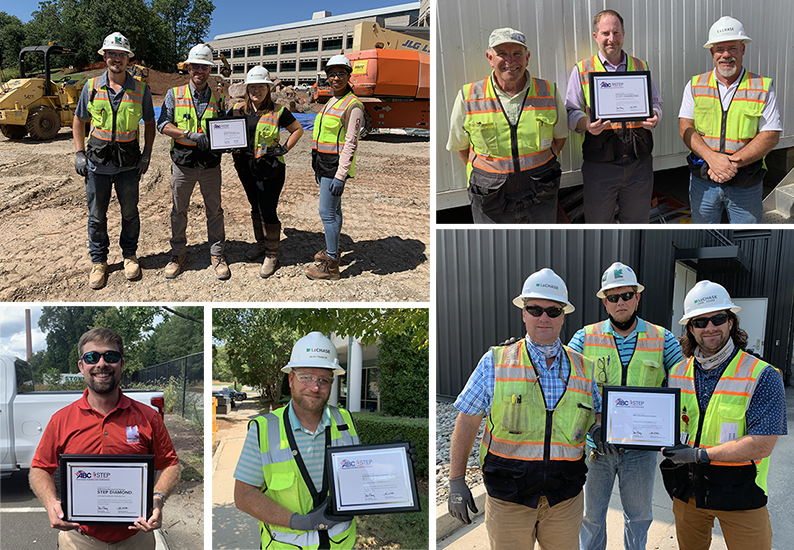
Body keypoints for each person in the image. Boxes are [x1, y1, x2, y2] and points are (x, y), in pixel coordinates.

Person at [447, 268, 601, 549]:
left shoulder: (584, 368)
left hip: (564, 500)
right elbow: (467, 420)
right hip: (509, 498)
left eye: (553, 311)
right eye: (535, 309)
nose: (544, 317)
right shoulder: (495, 362)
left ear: (563, 315)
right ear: (523, 313)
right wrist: (456, 481)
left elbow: (596, 414)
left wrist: (600, 427)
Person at [660, 280, 786, 550]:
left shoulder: (763, 375)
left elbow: (762, 444)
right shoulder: (677, 373)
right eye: (700, 322)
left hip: (742, 495)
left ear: (731, 322)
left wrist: (699, 455)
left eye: (718, 318)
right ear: (690, 329)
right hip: (688, 492)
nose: (710, 328)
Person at [29, 328, 181, 550]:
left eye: (111, 356)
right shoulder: (61, 420)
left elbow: (170, 464)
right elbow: (39, 468)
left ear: (121, 364)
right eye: (92, 357)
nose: (102, 364)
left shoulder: (147, 417)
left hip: (135, 539)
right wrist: (51, 503)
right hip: (79, 540)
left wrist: (158, 499)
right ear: (82, 366)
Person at [567, 262, 684, 550]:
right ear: (604, 301)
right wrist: (593, 425)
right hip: (597, 450)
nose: (620, 302)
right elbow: (568, 385)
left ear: (637, 297)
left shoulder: (662, 338)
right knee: (591, 518)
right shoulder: (584, 338)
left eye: (626, 295)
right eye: (613, 297)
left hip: (640, 454)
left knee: (639, 517)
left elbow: (684, 382)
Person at [233, 332, 359, 549]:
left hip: (341, 544)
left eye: (323, 380)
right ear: (290, 379)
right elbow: (244, 495)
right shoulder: (263, 430)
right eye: (306, 377)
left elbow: (359, 475)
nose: (315, 387)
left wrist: (396, 465)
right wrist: (299, 521)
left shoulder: (345, 421)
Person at [446, 28, 568, 224]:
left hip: (540, 193)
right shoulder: (468, 96)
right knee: (494, 249)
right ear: (490, 57)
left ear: (527, 58)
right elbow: (461, 147)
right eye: (502, 53)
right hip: (490, 196)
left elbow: (560, 138)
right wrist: (485, 174)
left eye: (517, 54)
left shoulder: (549, 92)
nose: (510, 61)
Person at [679, 16, 782, 223]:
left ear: (743, 49)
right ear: (712, 52)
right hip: (704, 181)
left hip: (746, 183)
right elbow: (685, 128)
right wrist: (712, 159)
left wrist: (730, 164)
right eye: (720, 49)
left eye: (732, 48)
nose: (726, 55)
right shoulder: (695, 85)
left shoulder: (762, 87)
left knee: (747, 238)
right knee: (703, 236)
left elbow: (771, 135)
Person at [72, 32, 155, 290]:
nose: (117, 58)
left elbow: (150, 124)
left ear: (128, 59)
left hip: (129, 164)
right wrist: (78, 152)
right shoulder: (92, 86)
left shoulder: (141, 89)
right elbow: (79, 120)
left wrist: (147, 154)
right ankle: (99, 262)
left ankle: (130, 256)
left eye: (122, 54)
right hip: (97, 163)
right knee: (97, 215)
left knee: (130, 213)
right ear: (104, 56)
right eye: (112, 54)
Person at [565, 10, 663, 224]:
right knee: (597, 225)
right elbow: (571, 111)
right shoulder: (582, 70)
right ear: (595, 36)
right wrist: (587, 124)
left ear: (623, 34)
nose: (611, 39)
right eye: (605, 33)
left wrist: (655, 116)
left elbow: (656, 103)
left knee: (637, 224)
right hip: (600, 164)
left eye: (616, 32)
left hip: (639, 162)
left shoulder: (640, 66)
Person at [157, 43, 230, 280]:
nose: (200, 71)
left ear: (210, 70)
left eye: (204, 67)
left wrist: (227, 140)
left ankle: (217, 255)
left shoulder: (219, 96)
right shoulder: (174, 94)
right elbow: (163, 125)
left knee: (215, 211)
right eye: (195, 66)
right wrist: (187, 135)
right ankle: (177, 254)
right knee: (179, 211)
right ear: (188, 68)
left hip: (210, 165)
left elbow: (224, 127)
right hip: (183, 164)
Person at [231, 66, 304, 278]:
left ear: (268, 88)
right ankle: (261, 244)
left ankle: (272, 254)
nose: (256, 90)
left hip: (270, 168)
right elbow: (223, 128)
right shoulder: (238, 109)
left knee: (268, 209)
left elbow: (297, 129)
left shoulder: (278, 111)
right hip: (245, 166)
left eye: (261, 86)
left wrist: (284, 148)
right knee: (255, 206)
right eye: (252, 86)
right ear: (247, 88)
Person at [306, 55, 364, 280]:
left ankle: (331, 266)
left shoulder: (353, 105)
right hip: (323, 163)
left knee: (326, 212)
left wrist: (340, 175)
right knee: (335, 211)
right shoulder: (332, 100)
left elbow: (351, 142)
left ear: (349, 76)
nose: (335, 77)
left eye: (340, 73)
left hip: (334, 167)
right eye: (331, 74)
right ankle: (335, 249)